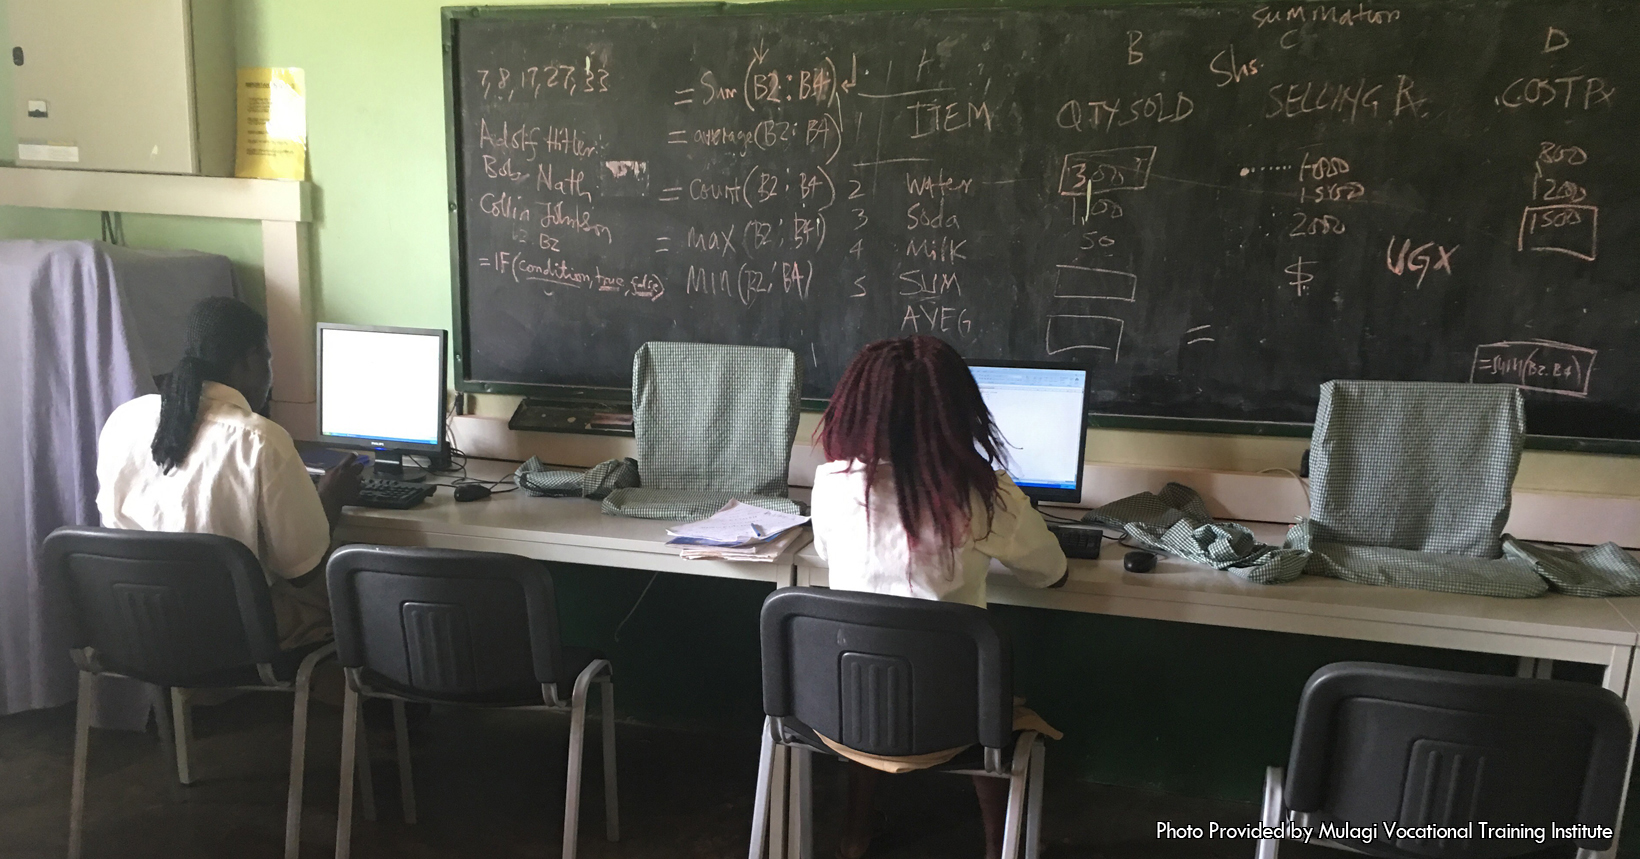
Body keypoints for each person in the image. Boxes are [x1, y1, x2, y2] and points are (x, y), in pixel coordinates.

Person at [810, 335, 1069, 859]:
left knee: (878, 662)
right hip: (952, 724)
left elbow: (823, 550)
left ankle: (853, 832)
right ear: (959, 412)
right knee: (986, 698)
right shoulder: (983, 496)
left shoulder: (831, 483)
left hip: (839, 716)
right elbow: (1050, 573)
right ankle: (998, 844)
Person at [96, 296, 362, 652]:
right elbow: (303, 570)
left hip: (142, 623)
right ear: (249, 360)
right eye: (267, 359)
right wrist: (330, 497)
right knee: (356, 589)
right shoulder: (259, 439)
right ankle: (373, 707)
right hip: (230, 632)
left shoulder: (124, 420)